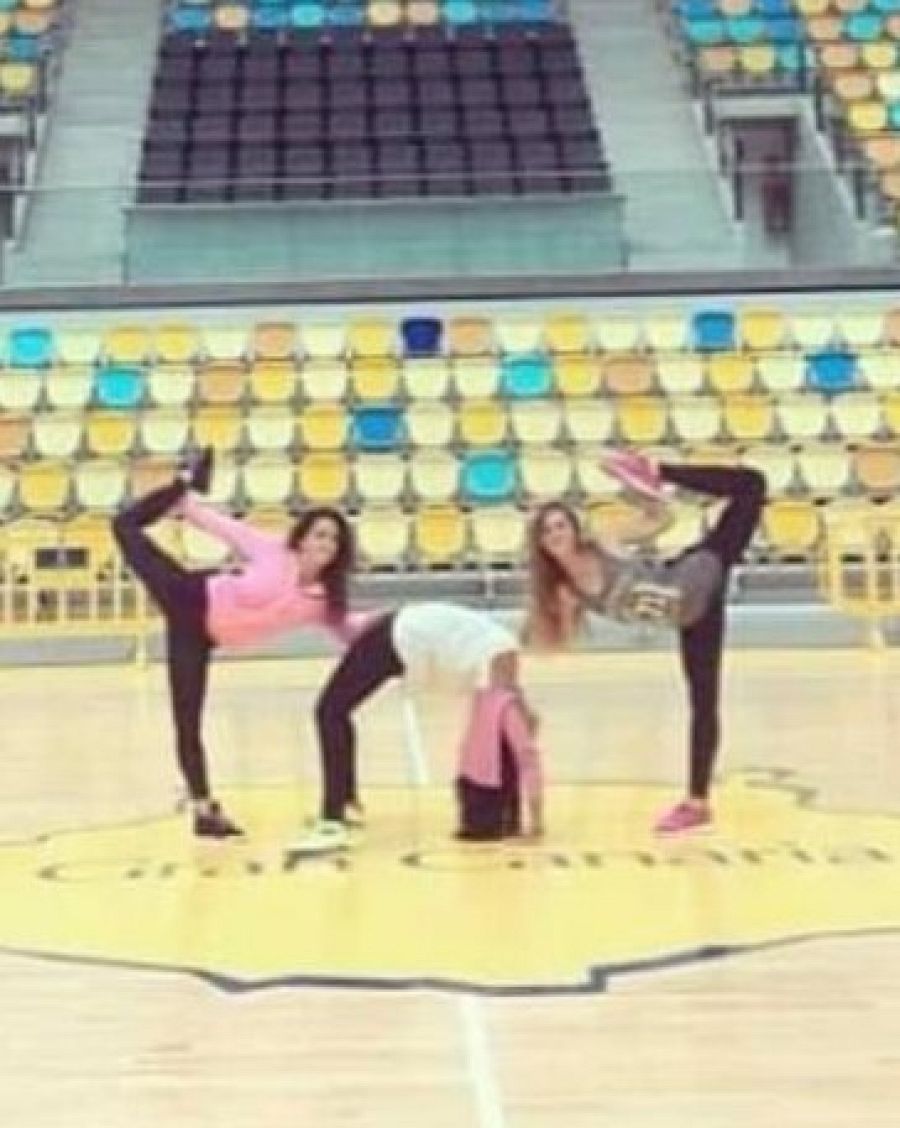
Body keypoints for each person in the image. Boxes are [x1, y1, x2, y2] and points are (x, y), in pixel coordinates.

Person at [112, 449, 368, 838]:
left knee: (188, 719)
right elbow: (213, 523)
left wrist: (399, 630)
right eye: (319, 533)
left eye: (334, 537)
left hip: (199, 638)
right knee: (124, 527)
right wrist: (187, 499)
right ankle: (185, 481)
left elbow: (353, 635)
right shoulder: (272, 549)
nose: (326, 542)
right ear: (302, 537)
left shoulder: (324, 601)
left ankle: (203, 810)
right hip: (189, 595)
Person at [526, 450, 765, 835]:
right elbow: (554, 645)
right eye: (547, 530)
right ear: (539, 542)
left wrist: (647, 492)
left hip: (698, 570)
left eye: (561, 526)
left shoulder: (604, 542)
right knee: (703, 704)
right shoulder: (566, 592)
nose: (556, 534)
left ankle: (660, 467)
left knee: (752, 483)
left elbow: (662, 520)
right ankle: (697, 804)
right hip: (692, 617)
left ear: (575, 528)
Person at [288, 601, 544, 855]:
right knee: (330, 711)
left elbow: (518, 738)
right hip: (398, 635)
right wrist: (532, 821)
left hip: (404, 638)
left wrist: (529, 821)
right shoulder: (498, 660)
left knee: (331, 711)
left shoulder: (499, 658)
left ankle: (340, 808)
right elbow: (522, 751)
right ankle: (334, 815)